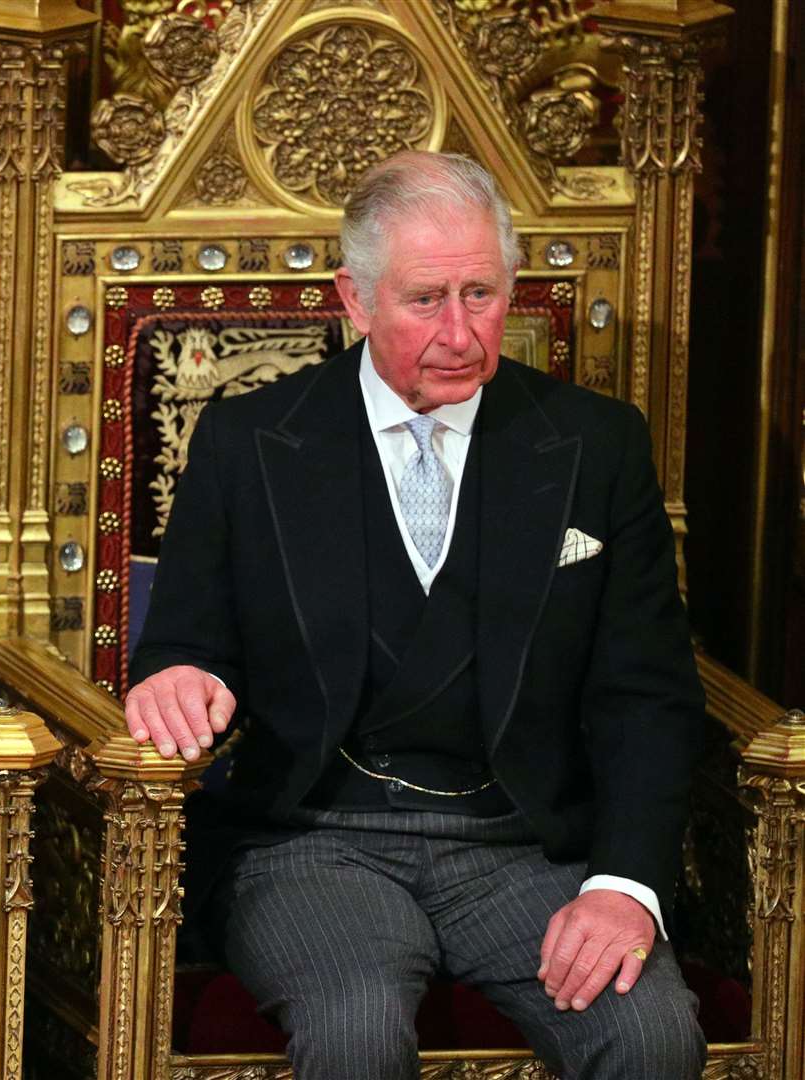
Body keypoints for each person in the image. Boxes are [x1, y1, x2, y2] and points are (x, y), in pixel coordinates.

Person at [123, 151, 706, 1079]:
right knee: (356, 1032)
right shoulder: (250, 441)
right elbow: (183, 642)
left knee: (651, 1032)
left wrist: (624, 886)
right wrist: (181, 678)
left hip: (521, 844)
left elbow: (649, 692)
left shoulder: (595, 445)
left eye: (482, 294)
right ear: (354, 300)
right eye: (426, 299)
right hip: (314, 843)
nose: (461, 331)